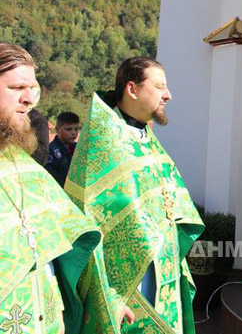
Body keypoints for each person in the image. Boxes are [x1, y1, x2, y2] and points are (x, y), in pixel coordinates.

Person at [64, 57, 203, 333]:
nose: (168, 95)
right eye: (159, 86)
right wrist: (108, 296)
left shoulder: (145, 138)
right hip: (126, 283)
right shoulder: (104, 141)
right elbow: (89, 221)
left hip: (164, 267)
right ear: (132, 89)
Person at [0, 42, 132, 334]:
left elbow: (73, 241)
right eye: (16, 88)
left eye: (32, 88)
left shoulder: (25, 166)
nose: (29, 100)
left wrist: (105, 300)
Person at [45, 111, 80, 186]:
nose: (73, 133)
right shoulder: (51, 151)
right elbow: (52, 178)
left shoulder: (79, 148)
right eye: (68, 129)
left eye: (76, 129)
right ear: (57, 129)